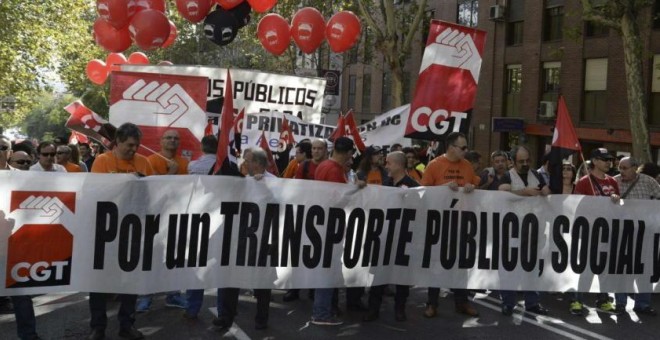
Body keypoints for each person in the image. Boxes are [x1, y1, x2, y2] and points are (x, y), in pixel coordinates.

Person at [88, 123, 152, 340]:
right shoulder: (102, 161)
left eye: (137, 145)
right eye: (130, 145)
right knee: (98, 281)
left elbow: (152, 195)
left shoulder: (144, 162)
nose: (134, 150)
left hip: (133, 232)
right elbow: (97, 193)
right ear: (118, 142)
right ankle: (98, 327)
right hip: (105, 231)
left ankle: (127, 325)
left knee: (130, 282)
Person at [421, 132, 480, 318]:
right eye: (463, 147)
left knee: (461, 265)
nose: (466, 150)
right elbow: (423, 193)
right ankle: (432, 303)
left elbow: (474, 187)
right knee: (437, 264)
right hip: (440, 223)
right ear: (451, 147)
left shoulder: (467, 166)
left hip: (462, 223)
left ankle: (462, 302)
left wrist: (472, 187)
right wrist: (443, 189)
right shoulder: (434, 165)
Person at [214, 148, 273, 331]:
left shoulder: (274, 182)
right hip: (240, 239)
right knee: (232, 278)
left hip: (263, 241)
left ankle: (261, 319)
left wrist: (264, 187)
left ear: (259, 164)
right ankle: (226, 317)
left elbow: (280, 206)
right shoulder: (242, 181)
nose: (243, 164)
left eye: (247, 161)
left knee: (263, 283)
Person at [138, 130, 189, 312]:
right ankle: (145, 296)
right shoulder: (151, 160)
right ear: (161, 141)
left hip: (176, 215)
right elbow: (150, 188)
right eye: (169, 137)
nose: (173, 140)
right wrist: (171, 174)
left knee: (174, 258)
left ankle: (173, 295)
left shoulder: (185, 163)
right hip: (154, 215)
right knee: (151, 257)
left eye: (176, 138)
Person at [363, 151, 416, 322]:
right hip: (384, 237)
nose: (385, 166)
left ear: (398, 165)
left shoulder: (413, 185)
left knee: (402, 276)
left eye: (389, 163)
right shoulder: (386, 183)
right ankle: (373, 309)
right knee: (379, 275)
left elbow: (421, 210)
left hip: (403, 238)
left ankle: (400, 309)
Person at [310, 136, 356, 326]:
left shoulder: (324, 166)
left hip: (324, 225)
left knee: (326, 269)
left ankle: (322, 310)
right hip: (330, 226)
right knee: (327, 271)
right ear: (347, 153)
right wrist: (354, 190)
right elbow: (336, 201)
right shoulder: (334, 170)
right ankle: (321, 313)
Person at [498, 146, 549, 316]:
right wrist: (524, 192)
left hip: (533, 229)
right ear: (513, 161)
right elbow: (502, 193)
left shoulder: (537, 174)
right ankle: (508, 302)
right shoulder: (507, 175)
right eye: (521, 161)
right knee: (509, 267)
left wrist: (546, 191)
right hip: (512, 230)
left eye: (528, 160)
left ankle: (532, 302)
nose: (526, 164)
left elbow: (546, 191)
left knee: (532, 267)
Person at [571, 148, 620, 315]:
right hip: (590, 233)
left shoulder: (613, 182)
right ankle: (578, 300)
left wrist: (615, 199)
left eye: (610, 159)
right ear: (594, 161)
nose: (609, 162)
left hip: (607, 232)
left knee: (604, 268)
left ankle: (603, 299)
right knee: (586, 268)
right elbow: (576, 208)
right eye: (604, 159)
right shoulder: (584, 182)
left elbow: (618, 207)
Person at [613, 157, 660, 315]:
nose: (621, 171)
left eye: (625, 168)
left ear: (635, 168)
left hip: (645, 233)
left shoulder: (649, 182)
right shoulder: (614, 182)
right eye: (620, 168)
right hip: (622, 233)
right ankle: (620, 302)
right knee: (622, 269)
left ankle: (642, 304)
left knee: (644, 268)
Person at [282, 140, 317, 302]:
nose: (295, 156)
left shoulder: (322, 166)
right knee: (296, 253)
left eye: (298, 152)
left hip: (316, 216)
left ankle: (312, 288)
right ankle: (294, 289)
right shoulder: (300, 166)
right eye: (315, 148)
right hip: (300, 213)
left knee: (313, 253)